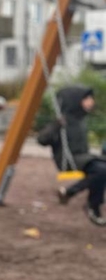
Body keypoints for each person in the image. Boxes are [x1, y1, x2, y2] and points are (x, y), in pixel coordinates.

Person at [38, 85, 106, 225]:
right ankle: (86, 201)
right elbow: (42, 140)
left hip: (82, 157)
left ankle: (74, 195)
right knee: (101, 170)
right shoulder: (62, 120)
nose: (91, 101)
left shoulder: (80, 119)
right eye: (87, 98)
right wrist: (56, 126)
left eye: (91, 98)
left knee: (101, 169)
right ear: (75, 100)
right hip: (68, 160)